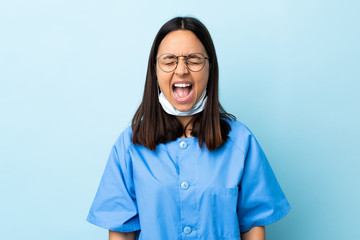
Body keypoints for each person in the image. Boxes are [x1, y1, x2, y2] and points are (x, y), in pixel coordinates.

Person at [86, 16, 291, 240]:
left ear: (210, 67)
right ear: (155, 69)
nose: (181, 70)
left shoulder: (241, 142)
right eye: (169, 60)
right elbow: (122, 234)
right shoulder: (129, 146)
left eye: (194, 60)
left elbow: (252, 227)